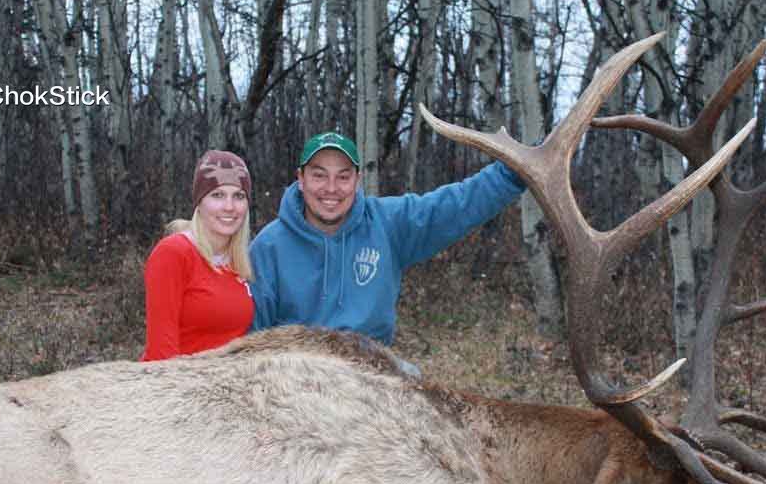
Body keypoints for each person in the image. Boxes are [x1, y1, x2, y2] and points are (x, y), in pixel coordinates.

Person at [248, 131, 525, 345]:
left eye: (343, 177)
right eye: (319, 176)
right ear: (301, 179)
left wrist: (513, 174)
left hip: (373, 372)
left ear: (357, 181)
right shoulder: (268, 247)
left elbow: (456, 206)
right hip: (298, 380)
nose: (331, 189)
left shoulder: (387, 223)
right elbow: (253, 340)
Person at [141, 150, 255, 361]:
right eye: (217, 195)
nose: (229, 207)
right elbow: (161, 353)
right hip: (180, 385)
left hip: (228, 384)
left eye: (238, 196)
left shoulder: (238, 261)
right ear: (199, 202)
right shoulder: (173, 253)